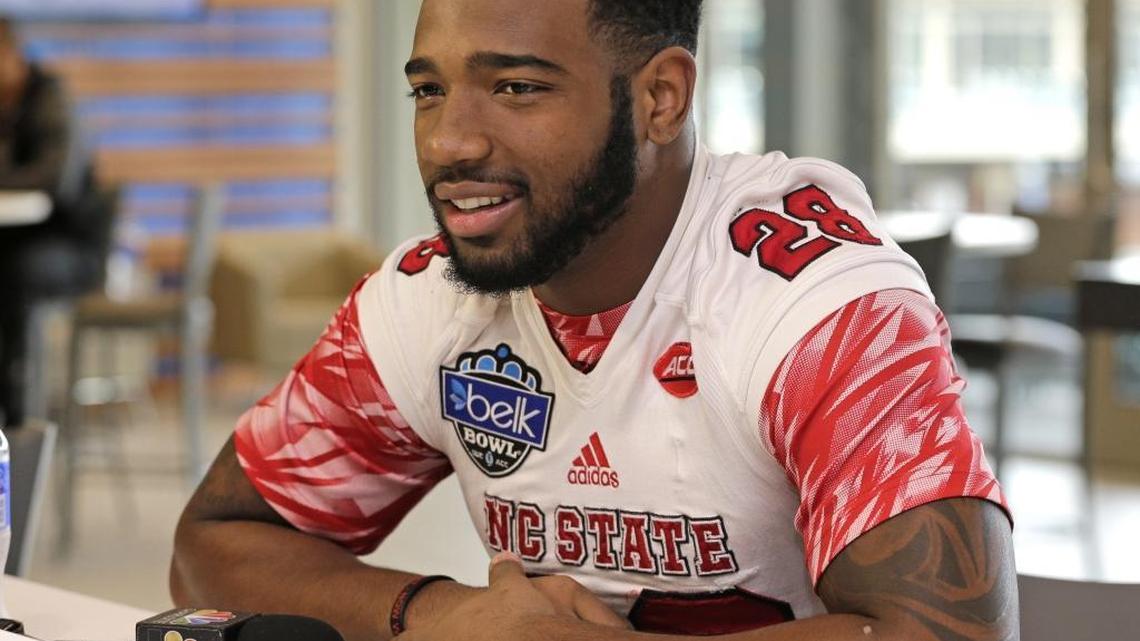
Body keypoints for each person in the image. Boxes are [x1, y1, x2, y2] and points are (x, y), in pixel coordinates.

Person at [171, 2, 1018, 640]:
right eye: (429, 90)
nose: (448, 142)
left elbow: (949, 630)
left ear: (661, 97)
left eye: (516, 87)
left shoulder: (814, 301)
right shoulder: (427, 296)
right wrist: (437, 614)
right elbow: (213, 547)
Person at [0, 17, 104, 426]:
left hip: (71, 245)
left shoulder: (49, 98)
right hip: (15, 238)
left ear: (11, 53)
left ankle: (20, 415)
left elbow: (53, 179)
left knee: (13, 276)